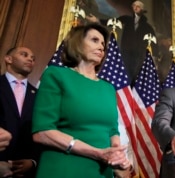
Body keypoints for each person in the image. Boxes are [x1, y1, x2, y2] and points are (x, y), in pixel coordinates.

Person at [32, 23, 131, 178]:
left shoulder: (108, 88)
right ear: (77, 43)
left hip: (101, 172)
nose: (101, 47)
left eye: (103, 44)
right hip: (64, 168)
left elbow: (112, 130)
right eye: (94, 40)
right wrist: (96, 153)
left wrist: (117, 153)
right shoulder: (56, 75)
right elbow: (42, 132)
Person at [86, 0, 158, 85]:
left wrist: (154, 58)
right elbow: (113, 21)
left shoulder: (148, 27)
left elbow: (154, 43)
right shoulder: (127, 19)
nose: (135, 8)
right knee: (125, 74)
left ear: (142, 9)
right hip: (126, 53)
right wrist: (97, 20)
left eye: (138, 6)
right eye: (134, 6)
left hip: (140, 55)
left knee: (137, 77)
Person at [0, 47, 41, 178]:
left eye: (33, 58)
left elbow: (41, 130)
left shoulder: (39, 96)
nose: (30, 59)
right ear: (9, 59)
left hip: (24, 172)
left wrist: (33, 162)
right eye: (24, 55)